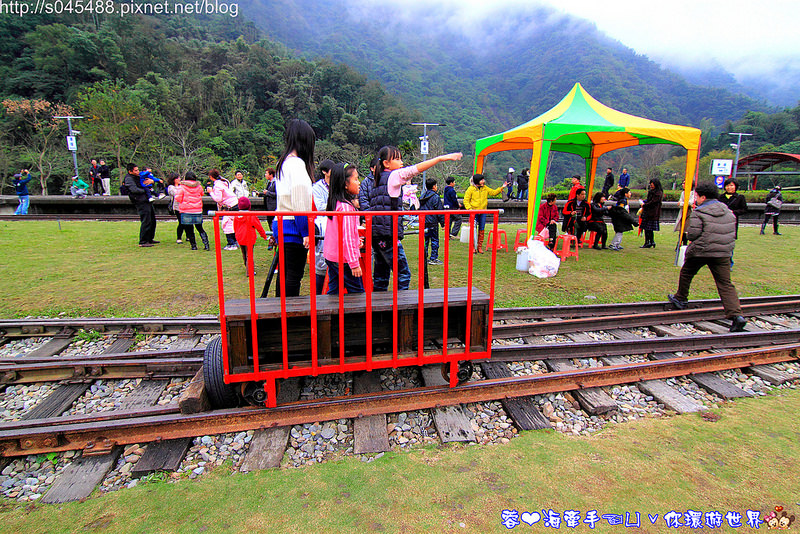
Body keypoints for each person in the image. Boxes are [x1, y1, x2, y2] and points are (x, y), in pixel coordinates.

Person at [368, 145, 462, 290]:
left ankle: (379, 310)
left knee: (381, 277)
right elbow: (416, 169)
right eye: (397, 159)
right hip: (388, 234)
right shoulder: (393, 176)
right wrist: (440, 158)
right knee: (403, 274)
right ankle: (400, 310)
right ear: (386, 163)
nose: (401, 162)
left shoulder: (377, 179)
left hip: (376, 234)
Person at [667, 182, 747, 332]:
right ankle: (737, 316)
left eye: (696, 196)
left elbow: (693, 234)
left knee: (687, 272)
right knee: (725, 283)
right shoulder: (728, 211)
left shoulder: (699, 212)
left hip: (702, 250)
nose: (695, 199)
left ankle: (681, 298)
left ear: (703, 197)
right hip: (723, 253)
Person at [267, 118, 316, 298]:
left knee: (285, 275)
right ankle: (288, 318)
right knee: (293, 277)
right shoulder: (296, 164)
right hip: (294, 227)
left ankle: (282, 314)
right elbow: (300, 201)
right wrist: (306, 232)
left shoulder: (284, 163)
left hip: (282, 224)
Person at [324, 163, 364, 294]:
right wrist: (354, 263)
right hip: (344, 259)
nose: (359, 183)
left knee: (335, 291)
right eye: (356, 179)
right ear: (345, 184)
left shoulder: (336, 203)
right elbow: (346, 237)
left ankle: (328, 313)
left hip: (333, 256)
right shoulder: (346, 208)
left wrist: (356, 242)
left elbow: (343, 233)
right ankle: (358, 315)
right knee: (357, 292)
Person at [463, 173, 505, 253]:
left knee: (481, 229)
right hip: (474, 212)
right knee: (473, 230)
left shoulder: (485, 188)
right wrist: (470, 209)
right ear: (477, 181)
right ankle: (473, 247)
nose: (483, 181)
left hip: (483, 211)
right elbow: (466, 200)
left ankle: (479, 247)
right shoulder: (470, 189)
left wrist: (501, 188)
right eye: (481, 180)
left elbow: (493, 192)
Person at [311, 159, 334, 293]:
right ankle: (318, 292)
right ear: (325, 172)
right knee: (321, 260)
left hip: (335, 222)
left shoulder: (338, 185)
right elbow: (320, 207)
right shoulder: (317, 187)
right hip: (322, 224)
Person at [122, 164, 158, 247]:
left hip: (146, 200)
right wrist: (145, 191)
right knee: (146, 220)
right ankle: (143, 241)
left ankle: (149, 238)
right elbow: (133, 189)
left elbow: (147, 182)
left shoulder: (138, 176)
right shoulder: (129, 179)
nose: (138, 171)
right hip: (140, 201)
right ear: (130, 171)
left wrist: (151, 182)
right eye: (135, 170)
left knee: (152, 219)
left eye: (138, 170)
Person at [174, 171, 209, 251]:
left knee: (189, 229)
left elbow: (178, 198)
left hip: (186, 210)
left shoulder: (182, 187)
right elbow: (202, 194)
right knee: (200, 228)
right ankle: (206, 244)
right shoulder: (199, 186)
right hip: (197, 209)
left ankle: (194, 246)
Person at [234, 196, 268, 276]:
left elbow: (235, 227)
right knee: (249, 255)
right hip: (249, 238)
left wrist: (237, 236)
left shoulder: (236, 216)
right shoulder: (251, 216)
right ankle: (249, 271)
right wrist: (264, 236)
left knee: (244, 253)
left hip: (240, 237)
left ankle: (247, 267)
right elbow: (259, 227)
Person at [206, 169, 239, 250]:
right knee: (234, 224)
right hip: (235, 203)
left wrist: (211, 192)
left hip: (230, 206)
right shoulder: (224, 182)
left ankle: (231, 243)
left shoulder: (217, 185)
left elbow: (218, 199)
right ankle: (236, 241)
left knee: (228, 224)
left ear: (211, 177)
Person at [419, 178, 446, 265]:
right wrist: (443, 223)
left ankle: (424, 257)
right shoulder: (435, 197)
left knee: (425, 240)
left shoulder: (422, 196)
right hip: (433, 222)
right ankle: (433, 258)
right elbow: (439, 211)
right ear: (434, 186)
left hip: (423, 221)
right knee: (434, 240)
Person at [639, 178, 663, 248]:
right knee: (647, 228)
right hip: (648, 212)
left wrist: (645, 205)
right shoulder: (651, 192)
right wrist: (644, 201)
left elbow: (653, 202)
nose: (651, 186)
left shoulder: (658, 193)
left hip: (652, 213)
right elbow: (649, 200)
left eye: (652, 185)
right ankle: (650, 241)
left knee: (649, 228)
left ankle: (649, 242)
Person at [166, 172, 186, 245]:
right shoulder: (171, 187)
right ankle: (179, 237)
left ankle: (188, 236)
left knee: (187, 222)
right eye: (177, 178)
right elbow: (176, 194)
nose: (179, 179)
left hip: (185, 206)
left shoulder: (181, 186)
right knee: (181, 222)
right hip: (177, 207)